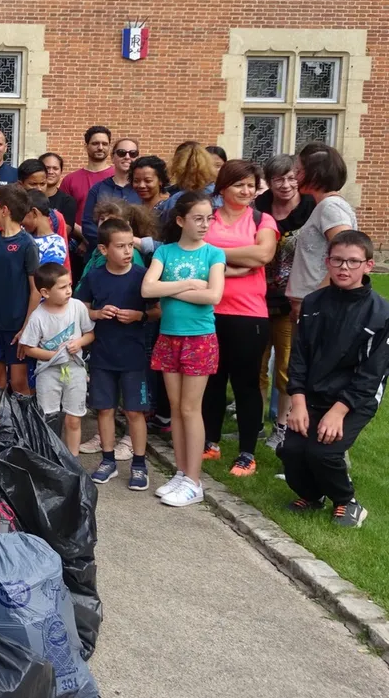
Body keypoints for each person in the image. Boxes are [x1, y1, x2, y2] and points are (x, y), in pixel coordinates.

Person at [282, 230, 389, 528]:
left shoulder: (381, 314)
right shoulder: (313, 302)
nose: (344, 268)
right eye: (338, 260)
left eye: (353, 262)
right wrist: (298, 401)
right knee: (291, 449)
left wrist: (339, 411)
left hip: (355, 398)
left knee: (324, 453)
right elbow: (299, 355)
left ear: (368, 265)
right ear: (327, 262)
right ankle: (312, 495)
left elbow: (372, 374)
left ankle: (347, 501)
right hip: (313, 393)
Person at [142, 191, 226, 507]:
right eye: (198, 219)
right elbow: (148, 288)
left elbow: (214, 296)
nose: (205, 224)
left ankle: (194, 479)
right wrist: (189, 285)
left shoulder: (214, 255)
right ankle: (181, 472)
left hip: (199, 338)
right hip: (169, 337)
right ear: (181, 221)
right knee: (176, 408)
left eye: (209, 218)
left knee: (191, 408)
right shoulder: (166, 252)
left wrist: (171, 291)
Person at [200, 160, 279, 476]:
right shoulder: (209, 218)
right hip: (209, 310)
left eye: (251, 185)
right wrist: (234, 259)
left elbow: (262, 255)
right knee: (212, 382)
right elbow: (193, 250)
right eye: (239, 185)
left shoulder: (262, 219)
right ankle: (211, 442)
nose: (247, 191)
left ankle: (247, 452)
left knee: (246, 384)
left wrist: (215, 254)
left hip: (249, 315)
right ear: (223, 187)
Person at [77, 218, 157, 490]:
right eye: (120, 246)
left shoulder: (142, 275)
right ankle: (108, 460)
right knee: (104, 409)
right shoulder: (94, 277)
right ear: (103, 249)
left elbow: (158, 310)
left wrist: (140, 315)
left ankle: (139, 464)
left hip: (133, 356)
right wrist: (96, 314)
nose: (127, 252)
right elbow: (80, 308)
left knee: (135, 411)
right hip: (102, 355)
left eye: (130, 245)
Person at [255, 154, 316, 448]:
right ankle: (252, 422)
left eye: (292, 177)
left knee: (287, 364)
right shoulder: (260, 206)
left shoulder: (310, 208)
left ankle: (281, 426)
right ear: (270, 180)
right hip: (256, 296)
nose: (286, 184)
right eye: (279, 178)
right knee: (256, 362)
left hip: (293, 299)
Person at [18, 262, 95, 455]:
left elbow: (90, 333)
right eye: (62, 287)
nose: (69, 290)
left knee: (74, 418)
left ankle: (73, 460)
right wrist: (53, 355)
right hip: (48, 373)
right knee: (49, 418)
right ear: (45, 292)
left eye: (69, 285)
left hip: (75, 370)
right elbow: (28, 348)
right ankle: (51, 458)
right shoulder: (38, 316)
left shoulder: (77, 307)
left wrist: (79, 343)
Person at [0, 185, 39, 395]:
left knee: (19, 382)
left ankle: (24, 426)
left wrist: (26, 327)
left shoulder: (27, 244)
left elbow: (36, 290)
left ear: (4, 209)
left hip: (17, 327)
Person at [287, 143, 356, 319]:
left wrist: (315, 301)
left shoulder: (330, 207)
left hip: (319, 305)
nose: (295, 175)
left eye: (299, 170)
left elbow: (346, 253)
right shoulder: (325, 205)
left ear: (315, 174)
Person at [81, 138, 142, 248]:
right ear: (112, 157)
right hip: (101, 253)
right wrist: (109, 244)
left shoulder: (142, 190)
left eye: (133, 154)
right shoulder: (98, 189)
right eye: (121, 152)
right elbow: (87, 224)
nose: (127, 157)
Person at [60, 126, 114, 226]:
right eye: (95, 143)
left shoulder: (118, 176)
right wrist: (83, 234)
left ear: (109, 147)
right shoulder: (70, 180)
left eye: (105, 144)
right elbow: (62, 215)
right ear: (86, 146)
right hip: (77, 239)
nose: (100, 147)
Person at [18, 159, 71, 248]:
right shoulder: (9, 215)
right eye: (33, 184)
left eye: (43, 184)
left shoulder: (57, 218)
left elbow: (63, 255)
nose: (39, 189)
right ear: (20, 185)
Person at [23, 190, 68, 266]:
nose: (20, 221)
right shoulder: (23, 235)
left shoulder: (55, 243)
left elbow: (47, 275)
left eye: (22, 215)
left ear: (34, 212)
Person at [40, 151, 77, 229]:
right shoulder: (28, 197)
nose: (50, 172)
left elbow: (65, 230)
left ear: (61, 172)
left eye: (55, 168)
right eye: (47, 168)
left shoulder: (67, 201)